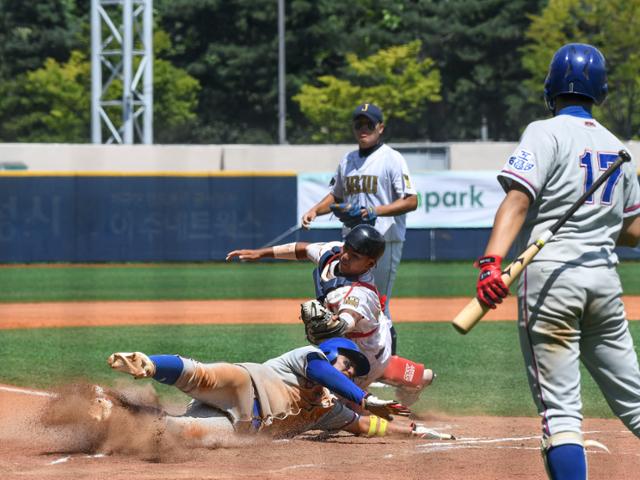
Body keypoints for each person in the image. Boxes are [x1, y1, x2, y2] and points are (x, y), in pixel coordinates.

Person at [475, 43, 640, 480]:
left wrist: (492, 262)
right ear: (599, 90)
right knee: (638, 405)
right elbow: (631, 229)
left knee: (562, 414)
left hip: (552, 280)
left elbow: (517, 201)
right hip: (603, 281)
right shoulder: (616, 146)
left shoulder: (543, 131)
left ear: (552, 87)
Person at [226, 224, 435, 406]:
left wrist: (332, 325)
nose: (345, 256)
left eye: (355, 256)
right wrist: (261, 253)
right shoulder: (334, 253)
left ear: (370, 264)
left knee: (327, 405)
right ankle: (418, 377)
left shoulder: (361, 292)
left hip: (365, 354)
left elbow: (346, 321)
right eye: (347, 248)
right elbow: (304, 249)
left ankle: (368, 405)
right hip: (370, 336)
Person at [103, 338, 452, 442]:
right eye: (347, 361)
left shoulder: (330, 409)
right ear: (332, 353)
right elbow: (323, 371)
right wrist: (366, 398)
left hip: (243, 428)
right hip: (245, 386)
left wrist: (409, 431)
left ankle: (114, 415)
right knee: (203, 374)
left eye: (356, 371)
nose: (350, 369)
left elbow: (362, 426)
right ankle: (149, 364)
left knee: (184, 431)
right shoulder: (309, 358)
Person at [301, 103, 418, 354]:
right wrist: (314, 210)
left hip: (382, 242)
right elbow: (336, 195)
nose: (363, 129)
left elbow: (411, 200)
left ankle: (386, 362)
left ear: (381, 127)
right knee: (348, 299)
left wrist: (376, 210)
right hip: (352, 243)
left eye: (369, 124)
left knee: (378, 302)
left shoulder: (392, 159)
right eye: (359, 124)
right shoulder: (348, 160)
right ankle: (353, 361)